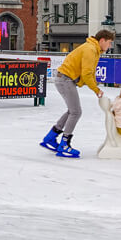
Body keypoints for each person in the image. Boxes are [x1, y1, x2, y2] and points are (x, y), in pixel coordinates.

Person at [40, 29, 115, 158]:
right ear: (102, 40)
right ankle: (64, 144)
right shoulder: (90, 49)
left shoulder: (94, 49)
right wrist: (96, 90)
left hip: (64, 79)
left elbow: (90, 72)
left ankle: (50, 137)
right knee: (76, 112)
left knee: (72, 111)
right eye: (109, 43)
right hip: (65, 79)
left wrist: (95, 85)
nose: (110, 46)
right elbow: (86, 74)